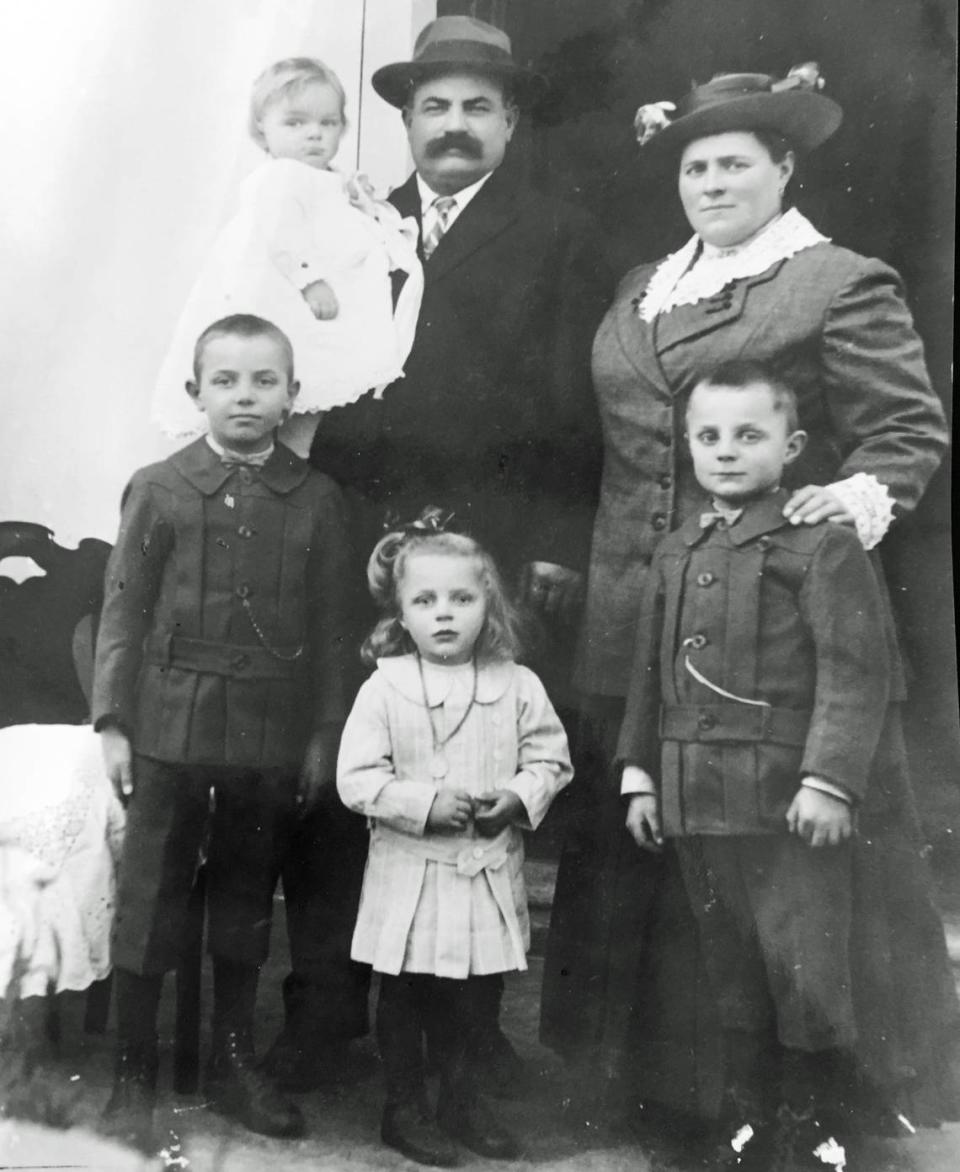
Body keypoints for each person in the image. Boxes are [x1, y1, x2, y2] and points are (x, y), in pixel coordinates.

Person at [540, 68, 955, 1139]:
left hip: (773, 628)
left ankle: (816, 1107)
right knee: (649, 850)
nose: (713, 181)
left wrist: (844, 504)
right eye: (695, 165)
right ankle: (652, 1092)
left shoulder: (836, 280)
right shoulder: (643, 282)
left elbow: (907, 434)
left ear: (784, 169)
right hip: (642, 610)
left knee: (789, 878)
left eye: (735, 162)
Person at [287, 13, 612, 1090]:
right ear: (408, 122)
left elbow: (576, 404)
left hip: (493, 545)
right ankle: (326, 1014)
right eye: (436, 107)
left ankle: (468, 1031)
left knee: (472, 773)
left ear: (512, 124)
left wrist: (555, 543)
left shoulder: (558, 233)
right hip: (361, 534)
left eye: (479, 106)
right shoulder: (362, 223)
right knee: (356, 761)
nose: (456, 125)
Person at [620, 362, 890, 1169]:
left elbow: (854, 670)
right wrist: (640, 774)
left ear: (792, 444)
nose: (726, 452)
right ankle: (747, 1122)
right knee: (729, 963)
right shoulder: (678, 548)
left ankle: (816, 1132)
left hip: (784, 800)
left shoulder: (821, 546)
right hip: (694, 794)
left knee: (804, 966)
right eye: (708, 437)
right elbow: (648, 670)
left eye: (749, 435)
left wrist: (829, 780)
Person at [91, 313, 350, 1149]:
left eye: (265, 381)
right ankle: (133, 1077)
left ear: (292, 396)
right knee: (149, 904)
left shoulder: (318, 500)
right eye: (227, 381)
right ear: (195, 391)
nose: (246, 396)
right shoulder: (159, 487)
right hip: (168, 727)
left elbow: (333, 632)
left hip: (269, 737)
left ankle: (235, 1066)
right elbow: (122, 616)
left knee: (244, 901)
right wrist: (113, 724)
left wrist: (321, 737)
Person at [337, 511, 572, 1165]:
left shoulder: (518, 684)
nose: (444, 615)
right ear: (401, 615)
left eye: (462, 599)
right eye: (425, 601)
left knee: (475, 998)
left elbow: (551, 759)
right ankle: (404, 1106)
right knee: (408, 992)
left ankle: (462, 1103)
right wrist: (422, 804)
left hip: (483, 870)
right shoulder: (384, 687)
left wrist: (519, 796)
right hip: (408, 870)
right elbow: (356, 779)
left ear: (487, 606)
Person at [151, 57, 423, 457]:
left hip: (318, 319)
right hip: (286, 302)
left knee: (309, 396)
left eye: (327, 123)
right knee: (282, 392)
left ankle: (292, 465)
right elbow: (282, 235)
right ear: (262, 127)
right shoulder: (280, 178)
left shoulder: (324, 178)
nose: (313, 135)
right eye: (295, 123)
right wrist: (308, 279)